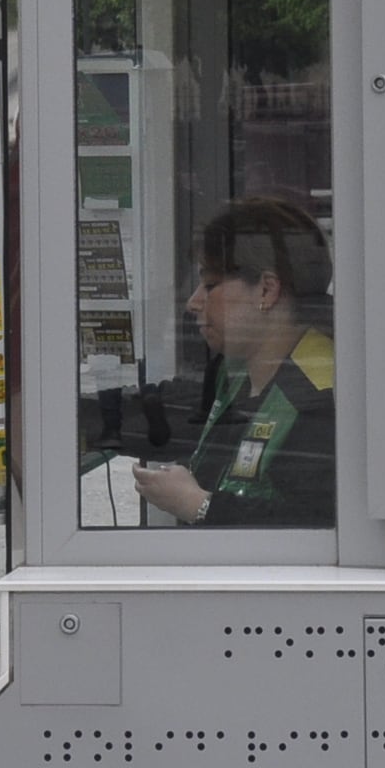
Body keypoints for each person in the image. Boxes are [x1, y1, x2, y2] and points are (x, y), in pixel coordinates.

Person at [134, 197, 335, 529]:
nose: (194, 302)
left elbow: (317, 526)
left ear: (267, 291)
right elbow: (167, 411)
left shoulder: (321, 397)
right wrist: (86, 422)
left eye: (210, 285)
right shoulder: (238, 372)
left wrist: (198, 506)